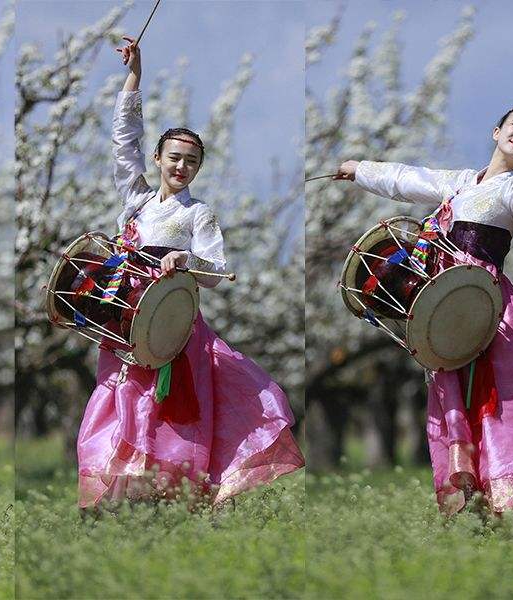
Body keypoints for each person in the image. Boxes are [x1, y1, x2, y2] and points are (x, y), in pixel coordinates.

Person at [336, 107, 513, 515]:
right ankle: (481, 496)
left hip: (487, 303)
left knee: (512, 394)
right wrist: (358, 168)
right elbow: (405, 179)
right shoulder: (462, 181)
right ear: (496, 131)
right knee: (459, 396)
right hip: (443, 302)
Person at [75, 38, 304, 509]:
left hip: (175, 326)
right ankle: (119, 501)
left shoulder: (198, 214)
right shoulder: (136, 200)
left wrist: (186, 262)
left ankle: (172, 500)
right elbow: (123, 139)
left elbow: (218, 270)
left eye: (192, 161)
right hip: (125, 321)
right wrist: (135, 76)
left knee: (165, 413)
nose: (182, 166)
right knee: (119, 405)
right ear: (157, 159)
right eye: (174, 157)